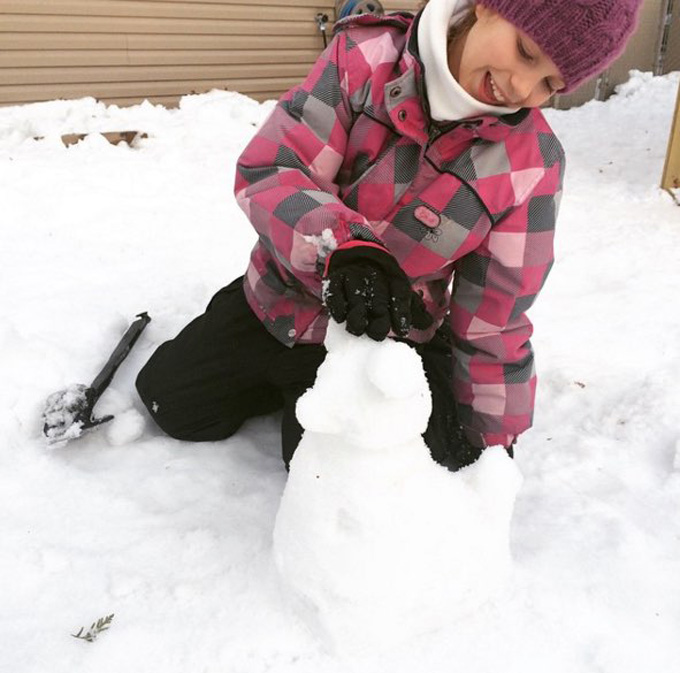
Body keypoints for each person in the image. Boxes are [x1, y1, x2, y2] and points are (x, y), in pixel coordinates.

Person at [136, 0, 642, 470]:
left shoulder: (530, 164)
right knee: (172, 405)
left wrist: (494, 445)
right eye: (526, 51)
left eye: (549, 83)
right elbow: (274, 168)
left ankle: (353, 396)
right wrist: (343, 248)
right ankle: (271, 379)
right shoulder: (364, 58)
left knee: (331, 475)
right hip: (279, 300)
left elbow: (496, 317)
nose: (520, 86)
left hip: (377, 339)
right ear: (488, 5)